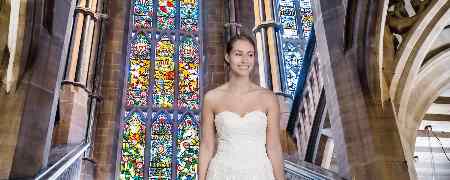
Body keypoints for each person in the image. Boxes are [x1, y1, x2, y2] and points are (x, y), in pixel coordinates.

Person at [198, 34, 286, 180]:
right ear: (227, 57)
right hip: (221, 173)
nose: (245, 60)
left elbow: (274, 147)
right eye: (238, 54)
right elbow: (207, 146)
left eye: (250, 55)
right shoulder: (212, 98)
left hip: (260, 173)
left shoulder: (268, 98)